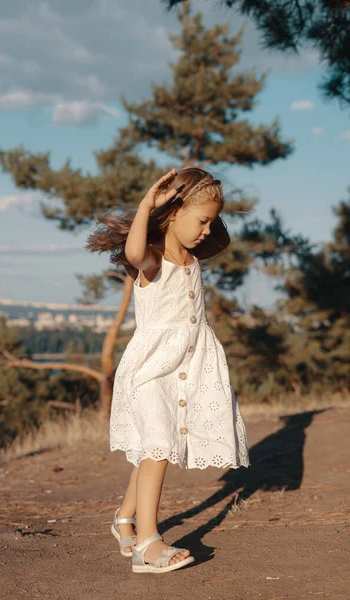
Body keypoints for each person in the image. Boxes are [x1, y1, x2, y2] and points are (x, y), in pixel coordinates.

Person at [86, 166, 250, 573]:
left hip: (188, 366)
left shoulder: (192, 257)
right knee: (158, 444)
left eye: (213, 222)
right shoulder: (153, 259)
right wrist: (146, 204)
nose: (207, 231)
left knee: (154, 450)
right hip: (151, 369)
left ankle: (124, 520)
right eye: (202, 220)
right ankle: (148, 543)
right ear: (174, 212)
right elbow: (134, 253)